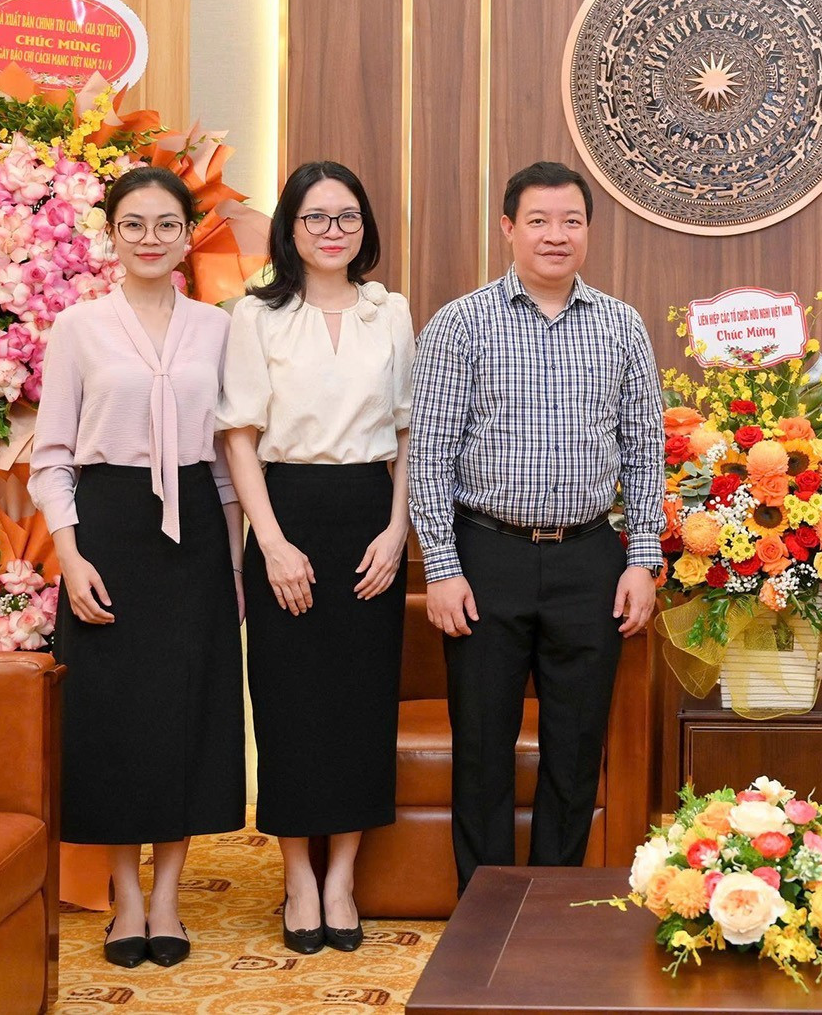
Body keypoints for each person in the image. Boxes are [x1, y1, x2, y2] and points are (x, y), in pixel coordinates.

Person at [407, 160, 663, 892]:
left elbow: (645, 448)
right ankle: (485, 908)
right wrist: (442, 569)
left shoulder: (621, 325)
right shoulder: (461, 323)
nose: (556, 235)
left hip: (589, 558)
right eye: (539, 221)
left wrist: (641, 558)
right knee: (482, 745)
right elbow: (429, 454)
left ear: (588, 231)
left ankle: (554, 902)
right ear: (508, 228)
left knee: (575, 748)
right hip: (486, 556)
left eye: (571, 221)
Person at [31, 167, 246, 970]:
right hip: (108, 527)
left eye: (166, 224)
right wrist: (69, 553)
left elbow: (227, 461)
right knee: (113, 714)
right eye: (133, 224)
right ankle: (126, 894)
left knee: (187, 710)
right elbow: (52, 456)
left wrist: (234, 566)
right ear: (111, 234)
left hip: (195, 533)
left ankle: (168, 896)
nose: (150, 238)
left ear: (189, 236)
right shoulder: (77, 328)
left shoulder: (218, 328)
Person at [217, 161, 414, 954]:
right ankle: (299, 874)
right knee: (289, 701)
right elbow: (238, 436)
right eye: (316, 217)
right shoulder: (256, 315)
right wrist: (269, 542)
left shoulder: (389, 310)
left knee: (363, 702)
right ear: (290, 228)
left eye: (347, 216)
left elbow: (407, 432)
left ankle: (343, 878)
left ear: (364, 226)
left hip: (370, 512)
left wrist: (398, 531)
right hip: (286, 509)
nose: (333, 230)